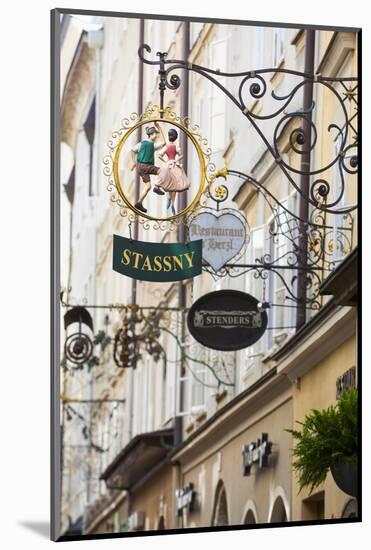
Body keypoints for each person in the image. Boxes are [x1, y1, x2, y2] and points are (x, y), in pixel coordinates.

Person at [130, 122, 165, 213]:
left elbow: (133, 150)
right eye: (155, 134)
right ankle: (157, 187)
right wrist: (159, 128)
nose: (157, 136)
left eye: (157, 134)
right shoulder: (152, 145)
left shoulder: (141, 144)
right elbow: (164, 142)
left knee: (148, 186)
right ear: (151, 135)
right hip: (147, 165)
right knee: (162, 171)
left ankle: (139, 202)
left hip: (140, 167)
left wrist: (134, 163)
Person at [157, 129, 190, 215]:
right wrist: (175, 160)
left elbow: (159, 155)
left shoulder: (166, 147)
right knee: (175, 184)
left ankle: (169, 198)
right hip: (174, 165)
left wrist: (165, 162)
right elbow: (181, 155)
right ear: (175, 138)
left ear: (168, 137)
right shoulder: (176, 147)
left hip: (168, 165)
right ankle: (172, 203)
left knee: (168, 182)